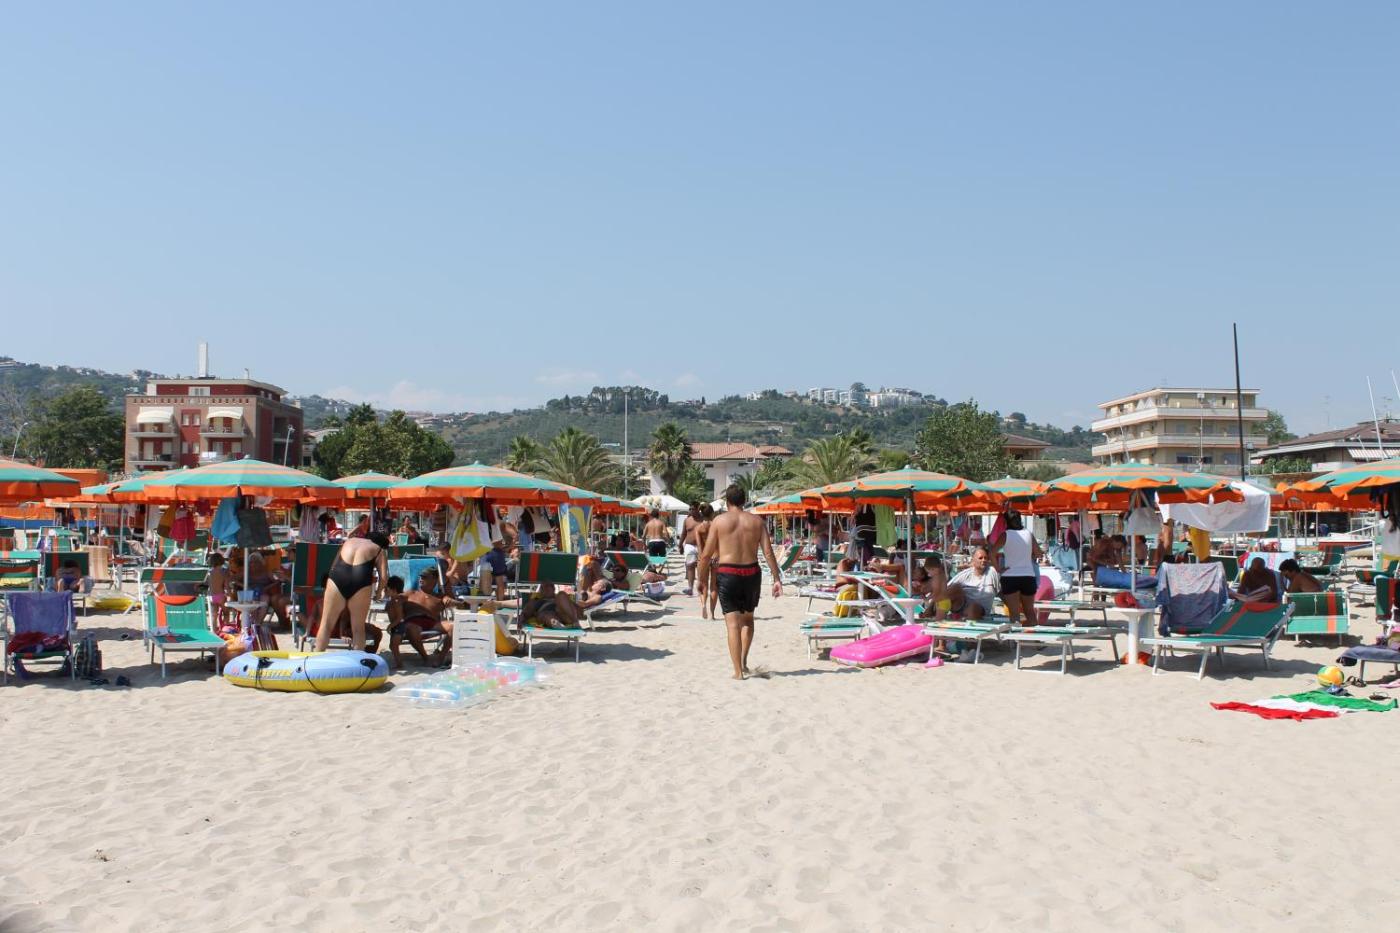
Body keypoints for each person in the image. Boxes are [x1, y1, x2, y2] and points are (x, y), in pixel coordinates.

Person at [696, 484, 783, 680]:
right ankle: (743, 662)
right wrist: (777, 578)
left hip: (728, 573)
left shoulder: (719, 521)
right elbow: (768, 553)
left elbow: (706, 555)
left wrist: (701, 579)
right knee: (748, 620)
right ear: (744, 501)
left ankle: (738, 672)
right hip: (751, 573)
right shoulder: (757, 521)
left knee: (732, 625)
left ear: (727, 502)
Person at [314, 531, 390, 653]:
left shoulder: (349, 541)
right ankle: (357, 661)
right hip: (361, 581)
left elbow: (333, 566)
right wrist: (378, 593)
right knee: (358, 629)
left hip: (338, 578)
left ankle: (316, 658)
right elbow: (384, 578)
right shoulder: (379, 550)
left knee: (326, 625)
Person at [384, 572, 454, 667]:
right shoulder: (410, 593)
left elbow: (460, 603)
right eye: (420, 576)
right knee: (411, 628)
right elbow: (396, 599)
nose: (421, 579)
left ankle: (441, 658)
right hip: (413, 623)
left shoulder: (440, 596)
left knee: (454, 626)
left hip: (432, 622)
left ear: (434, 580)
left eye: (424, 577)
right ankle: (426, 658)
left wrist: (448, 598)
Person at [991, 508, 1042, 626]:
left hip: (1010, 576)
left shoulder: (1005, 535)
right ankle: (1034, 636)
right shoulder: (1028, 534)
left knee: (1014, 614)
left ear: (1006, 521)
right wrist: (1029, 555)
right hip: (1028, 576)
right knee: (1030, 612)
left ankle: (1015, 637)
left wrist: (998, 569)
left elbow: (992, 553)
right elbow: (1038, 553)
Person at [308, 573, 383, 652]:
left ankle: (368, 654)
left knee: (377, 632)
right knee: (372, 634)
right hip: (344, 629)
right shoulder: (334, 600)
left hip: (348, 626)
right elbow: (343, 619)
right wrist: (342, 634)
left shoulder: (325, 600)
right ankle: (365, 655)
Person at [947, 547, 1001, 620]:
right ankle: (938, 615)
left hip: (979, 609)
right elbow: (946, 589)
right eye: (980, 558)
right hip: (961, 606)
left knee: (973, 607)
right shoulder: (966, 574)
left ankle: (964, 620)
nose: (984, 560)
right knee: (953, 588)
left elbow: (1002, 591)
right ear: (973, 560)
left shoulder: (992, 572)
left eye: (986, 558)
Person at [478, 535, 511, 600]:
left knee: (486, 580)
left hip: (488, 553)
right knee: (498, 581)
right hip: (495, 554)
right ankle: (499, 602)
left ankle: (487, 602)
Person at [206, 553, 232, 629]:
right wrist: (231, 596)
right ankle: (225, 628)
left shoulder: (209, 572)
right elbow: (227, 586)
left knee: (214, 615)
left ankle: (214, 630)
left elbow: (206, 583)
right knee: (226, 613)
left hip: (211, 596)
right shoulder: (224, 572)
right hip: (221, 595)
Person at [681, 505, 702, 596]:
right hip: (690, 546)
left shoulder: (703, 519)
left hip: (701, 546)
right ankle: (690, 588)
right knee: (690, 566)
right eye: (690, 509)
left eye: (693, 509)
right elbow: (683, 533)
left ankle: (701, 587)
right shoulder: (687, 520)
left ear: (698, 509)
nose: (691, 510)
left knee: (701, 567)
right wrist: (680, 545)